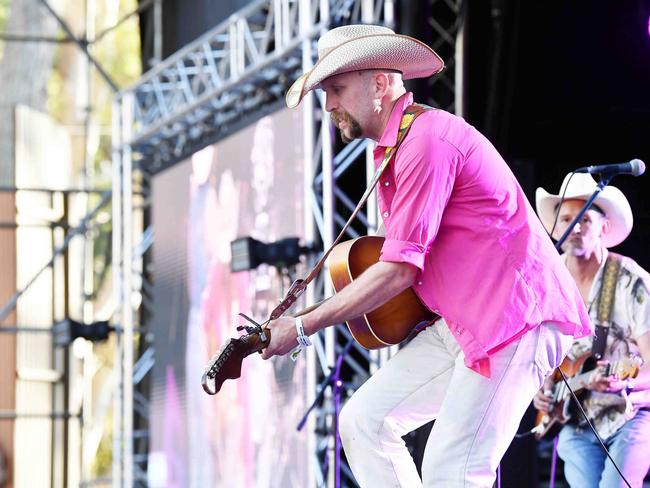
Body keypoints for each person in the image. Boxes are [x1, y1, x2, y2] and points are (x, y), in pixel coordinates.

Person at [261, 24, 591, 487]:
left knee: (452, 470)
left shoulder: (426, 141)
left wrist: (300, 325)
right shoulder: (396, 150)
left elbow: (397, 272)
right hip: (463, 322)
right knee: (363, 422)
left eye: (336, 88)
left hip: (516, 319)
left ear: (379, 84)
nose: (329, 104)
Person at [533, 173, 650, 488]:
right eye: (567, 220)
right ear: (556, 228)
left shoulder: (630, 281)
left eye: (585, 219)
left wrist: (622, 383)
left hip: (632, 415)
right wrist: (540, 392)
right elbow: (538, 350)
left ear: (604, 228)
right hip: (574, 420)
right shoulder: (548, 280)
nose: (575, 228)